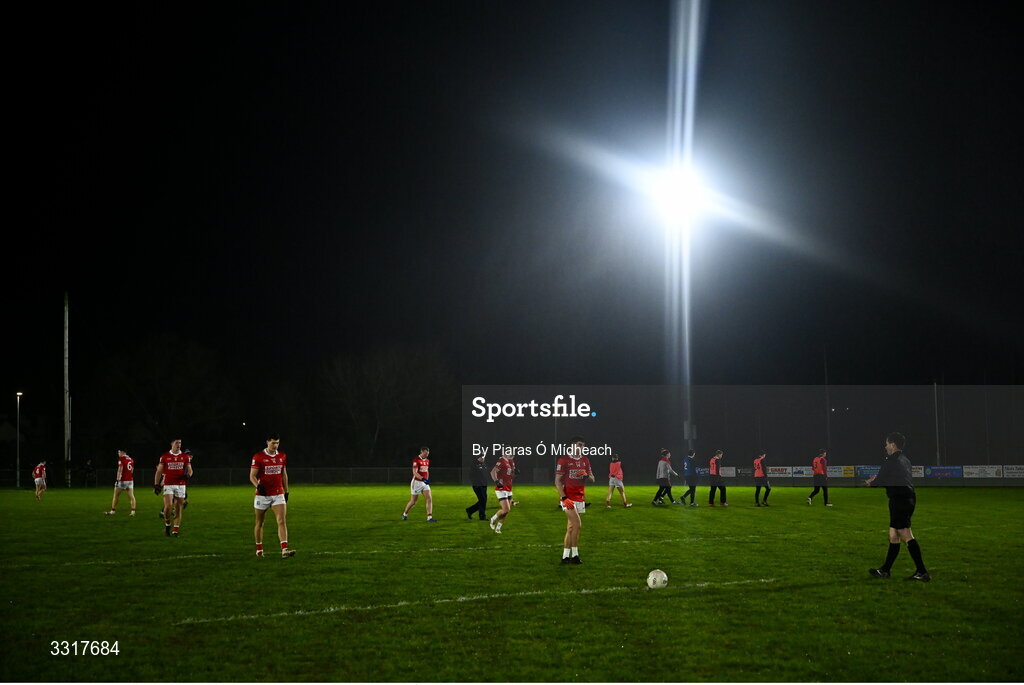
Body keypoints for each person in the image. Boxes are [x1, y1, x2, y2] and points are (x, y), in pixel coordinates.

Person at [865, 432, 929, 581]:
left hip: (900, 501)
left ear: (893, 444)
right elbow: (894, 477)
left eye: (887, 443)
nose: (885, 446)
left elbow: (880, 480)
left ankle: (922, 571)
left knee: (905, 534)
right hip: (907, 498)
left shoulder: (891, 460)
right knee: (893, 535)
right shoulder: (905, 460)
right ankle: (885, 570)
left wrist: (871, 482)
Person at [250, 434, 295, 558]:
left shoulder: (282, 456)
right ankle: (259, 550)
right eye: (273, 443)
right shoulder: (258, 457)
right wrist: (258, 486)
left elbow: (284, 475)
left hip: (278, 494)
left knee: (281, 521)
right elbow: (252, 476)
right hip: (262, 495)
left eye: (277, 443)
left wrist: (286, 491)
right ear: (267, 442)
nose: (275, 446)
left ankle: (284, 550)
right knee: (259, 523)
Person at [555, 435, 594, 564]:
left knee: (571, 528)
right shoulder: (564, 460)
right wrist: (563, 497)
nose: (582, 447)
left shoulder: (585, 460)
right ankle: (575, 555)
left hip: (580, 497)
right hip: (568, 498)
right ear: (572, 446)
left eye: (583, 445)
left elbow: (592, 479)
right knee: (577, 525)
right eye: (579, 445)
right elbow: (557, 481)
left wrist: (586, 475)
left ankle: (566, 557)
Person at [153, 438, 192, 537]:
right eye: (176, 442)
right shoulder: (165, 457)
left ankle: (175, 531)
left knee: (179, 508)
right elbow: (159, 471)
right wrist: (156, 484)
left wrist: (188, 475)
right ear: (172, 444)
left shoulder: (185, 457)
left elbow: (190, 470)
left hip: (181, 485)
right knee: (168, 507)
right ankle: (167, 524)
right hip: (168, 484)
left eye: (180, 442)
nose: (179, 444)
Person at [402, 447, 436, 522]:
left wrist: (427, 479)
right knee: (413, 501)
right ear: (421, 452)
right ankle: (405, 513)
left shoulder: (427, 461)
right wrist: (423, 479)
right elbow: (415, 473)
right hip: (416, 483)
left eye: (428, 453)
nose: (426, 455)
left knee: (429, 499)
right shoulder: (416, 460)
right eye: (425, 453)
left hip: (424, 483)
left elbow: (426, 471)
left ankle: (429, 517)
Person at [488, 448, 516, 533]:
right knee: (506, 509)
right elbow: (493, 472)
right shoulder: (501, 460)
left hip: (509, 488)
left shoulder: (509, 462)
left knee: (506, 511)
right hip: (501, 488)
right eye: (508, 452)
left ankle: (498, 528)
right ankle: (493, 518)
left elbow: (511, 477)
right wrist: (496, 481)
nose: (510, 453)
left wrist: (515, 473)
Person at [105, 450, 137, 516]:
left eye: (119, 452)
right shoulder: (131, 459)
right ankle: (133, 512)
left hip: (122, 480)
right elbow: (132, 470)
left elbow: (120, 470)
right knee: (131, 496)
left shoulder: (121, 459)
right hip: (130, 480)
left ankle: (113, 510)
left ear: (123, 452)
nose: (118, 453)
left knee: (116, 495)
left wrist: (117, 479)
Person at [465, 453, 489, 521]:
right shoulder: (474, 465)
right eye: (482, 457)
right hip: (478, 485)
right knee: (482, 500)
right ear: (478, 458)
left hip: (484, 485)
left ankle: (470, 510)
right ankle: (482, 516)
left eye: (483, 457)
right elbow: (471, 476)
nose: (483, 458)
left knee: (483, 500)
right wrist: (476, 484)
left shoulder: (483, 464)